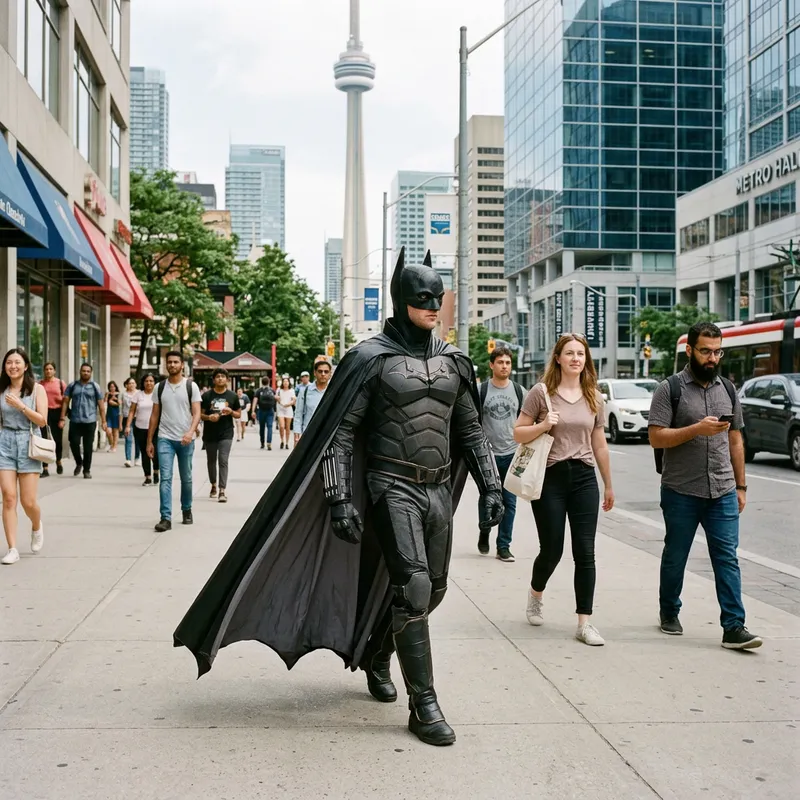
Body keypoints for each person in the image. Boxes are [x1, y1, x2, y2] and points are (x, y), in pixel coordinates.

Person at [174, 248, 504, 747]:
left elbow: (470, 428)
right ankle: (425, 704)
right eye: (424, 297)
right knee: (414, 588)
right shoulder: (369, 359)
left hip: (436, 486)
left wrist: (490, 486)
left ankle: (377, 652)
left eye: (439, 296)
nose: (435, 305)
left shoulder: (456, 361)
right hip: (391, 485)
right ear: (401, 299)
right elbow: (340, 434)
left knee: (432, 591)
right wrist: (338, 498)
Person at [648, 321, 762, 650]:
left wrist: (741, 486)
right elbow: (656, 436)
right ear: (690, 351)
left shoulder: (727, 388)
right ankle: (669, 610)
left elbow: (736, 440)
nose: (712, 358)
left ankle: (733, 626)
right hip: (681, 489)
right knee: (676, 555)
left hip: (723, 489)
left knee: (726, 556)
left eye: (717, 352)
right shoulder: (669, 389)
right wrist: (696, 429)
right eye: (706, 351)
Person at [513, 333, 614, 647]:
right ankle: (535, 593)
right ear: (558, 358)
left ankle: (584, 622)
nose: (575, 359)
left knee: (585, 552)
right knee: (552, 549)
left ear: (586, 360)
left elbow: (599, 443)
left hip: (584, 478)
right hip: (551, 478)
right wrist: (544, 425)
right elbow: (518, 433)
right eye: (569, 353)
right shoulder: (541, 394)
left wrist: (608, 484)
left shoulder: (594, 396)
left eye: (580, 354)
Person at [0, 348, 48, 565]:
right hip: (5, 443)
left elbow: (42, 421)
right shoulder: (1, 390)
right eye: (9, 362)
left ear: (26, 366)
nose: (13, 366)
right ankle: (12, 548)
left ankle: (36, 526)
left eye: (17, 362)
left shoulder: (37, 390)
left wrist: (21, 407)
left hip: (28, 443)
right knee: (9, 497)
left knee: (29, 502)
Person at [478, 345, 525, 562]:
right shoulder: (482, 390)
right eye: (500, 362)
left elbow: (527, 419)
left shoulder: (519, 391)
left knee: (509, 502)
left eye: (507, 362)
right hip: (487, 455)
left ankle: (503, 546)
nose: (504, 366)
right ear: (492, 365)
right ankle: (485, 530)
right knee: (487, 499)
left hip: (512, 453)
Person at [147, 351, 201, 532]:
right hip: (165, 439)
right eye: (169, 362)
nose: (172, 365)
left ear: (182, 365)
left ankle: (187, 509)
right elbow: (154, 415)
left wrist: (190, 432)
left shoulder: (191, 386)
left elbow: (197, 413)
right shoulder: (159, 387)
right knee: (165, 478)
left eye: (175, 362)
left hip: (186, 439)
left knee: (186, 478)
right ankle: (165, 518)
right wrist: (149, 441)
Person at [61, 363, 108, 480]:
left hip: (90, 421)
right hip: (75, 420)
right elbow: (66, 402)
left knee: (88, 447)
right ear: (80, 372)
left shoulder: (95, 387)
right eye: (83, 371)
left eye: (88, 371)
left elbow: (101, 405)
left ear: (91, 373)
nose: (85, 373)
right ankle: (79, 462)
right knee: (73, 443)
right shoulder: (72, 386)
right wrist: (62, 417)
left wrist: (104, 421)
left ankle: (87, 470)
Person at [201, 369, 240, 503]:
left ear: (227, 379)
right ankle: (213, 485)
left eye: (223, 376)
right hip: (210, 433)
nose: (220, 379)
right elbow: (200, 414)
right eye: (217, 377)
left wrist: (231, 412)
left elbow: (239, 414)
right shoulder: (207, 396)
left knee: (223, 460)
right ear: (214, 379)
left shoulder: (232, 396)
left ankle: (222, 490)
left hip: (226, 432)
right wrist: (209, 417)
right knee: (211, 460)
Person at [125, 373, 159, 486]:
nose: (149, 383)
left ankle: (156, 472)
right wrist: (128, 426)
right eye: (146, 381)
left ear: (154, 383)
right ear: (143, 383)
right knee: (144, 453)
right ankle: (148, 477)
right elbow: (131, 411)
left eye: (151, 381)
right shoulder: (138, 395)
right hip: (140, 428)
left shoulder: (158, 394)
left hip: (156, 429)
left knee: (156, 452)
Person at [40, 361, 66, 477]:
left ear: (54, 371)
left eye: (51, 369)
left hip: (57, 412)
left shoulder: (60, 383)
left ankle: (58, 461)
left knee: (57, 440)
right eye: (46, 369)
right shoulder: (40, 384)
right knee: (44, 440)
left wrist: (62, 418)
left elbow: (66, 401)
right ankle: (45, 468)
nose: (48, 371)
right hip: (44, 413)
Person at [293, 362, 331, 442]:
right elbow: (298, 414)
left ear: (330, 374)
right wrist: (297, 433)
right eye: (320, 371)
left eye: (326, 371)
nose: (323, 374)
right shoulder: (305, 391)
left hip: (327, 435)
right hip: (308, 434)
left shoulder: (333, 391)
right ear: (315, 373)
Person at [251, 376, 276, 450]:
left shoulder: (258, 391)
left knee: (262, 427)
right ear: (269, 382)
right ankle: (269, 443)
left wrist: (253, 411)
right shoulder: (272, 390)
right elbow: (276, 399)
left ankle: (262, 442)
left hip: (261, 410)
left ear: (261, 382)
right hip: (270, 410)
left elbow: (255, 401)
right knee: (270, 426)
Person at [121, 377, 140, 468]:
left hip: (137, 418)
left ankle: (137, 458)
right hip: (126, 418)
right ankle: (128, 459)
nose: (131, 385)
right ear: (126, 385)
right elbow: (121, 408)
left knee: (138, 439)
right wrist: (120, 422)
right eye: (130, 383)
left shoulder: (139, 393)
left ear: (136, 384)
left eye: (133, 383)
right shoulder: (123, 394)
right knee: (128, 439)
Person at [275, 377, 295, 449]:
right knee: (282, 426)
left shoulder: (292, 390)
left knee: (287, 427)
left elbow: (293, 400)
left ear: (289, 383)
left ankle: (287, 442)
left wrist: (289, 404)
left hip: (288, 409)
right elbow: (276, 397)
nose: (286, 383)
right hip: (281, 409)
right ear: (282, 383)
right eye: (284, 381)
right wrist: (277, 398)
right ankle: (282, 440)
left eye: (287, 381)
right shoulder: (279, 390)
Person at [292, 371, 311, 446]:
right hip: (299, 409)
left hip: (308, 412)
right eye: (303, 376)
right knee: (297, 437)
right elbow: (294, 397)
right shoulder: (298, 387)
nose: (305, 378)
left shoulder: (311, 387)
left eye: (306, 376)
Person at [105, 381, 121, 453]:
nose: (112, 388)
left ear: (116, 387)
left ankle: (114, 447)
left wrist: (115, 399)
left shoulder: (119, 394)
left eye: (113, 386)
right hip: (109, 414)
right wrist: (107, 396)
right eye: (111, 387)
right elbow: (105, 402)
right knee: (108, 431)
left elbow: (120, 404)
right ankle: (111, 444)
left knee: (115, 432)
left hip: (116, 414)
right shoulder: (107, 394)